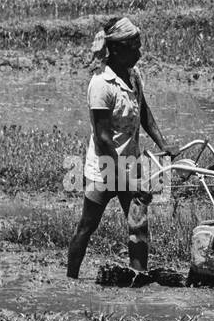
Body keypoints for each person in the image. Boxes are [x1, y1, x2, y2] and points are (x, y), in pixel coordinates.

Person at [66, 16, 174, 281]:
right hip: (102, 170)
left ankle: (139, 280)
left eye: (139, 45)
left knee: (139, 226)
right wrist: (125, 182)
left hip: (130, 164)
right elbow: (103, 140)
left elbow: (144, 111)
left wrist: (163, 144)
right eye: (134, 47)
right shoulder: (101, 84)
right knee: (87, 226)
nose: (139, 52)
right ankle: (71, 281)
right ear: (116, 49)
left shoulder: (133, 75)